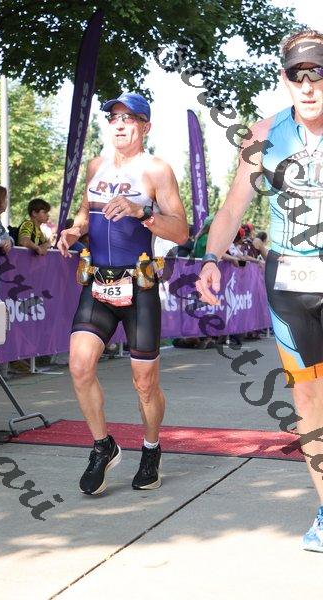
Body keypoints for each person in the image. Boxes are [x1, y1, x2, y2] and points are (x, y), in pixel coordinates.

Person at [196, 28, 323, 552]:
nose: (308, 86)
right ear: (284, 79)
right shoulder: (265, 134)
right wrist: (210, 257)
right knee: (309, 397)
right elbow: (233, 207)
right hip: (290, 284)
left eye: (318, 73)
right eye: (298, 75)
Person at [57, 91, 188, 495]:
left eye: (128, 118)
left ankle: (151, 448)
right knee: (79, 366)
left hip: (139, 285)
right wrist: (73, 231)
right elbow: (84, 215)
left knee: (144, 384)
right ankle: (103, 446)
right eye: (113, 117)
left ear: (145, 126)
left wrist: (141, 212)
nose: (119, 124)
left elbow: (181, 231)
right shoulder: (95, 166)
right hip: (98, 283)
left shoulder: (157, 170)